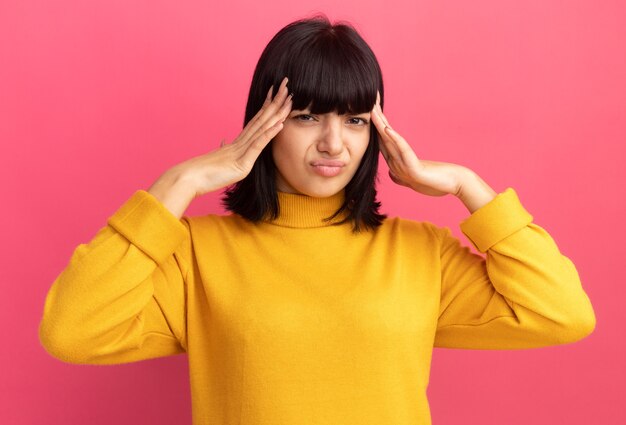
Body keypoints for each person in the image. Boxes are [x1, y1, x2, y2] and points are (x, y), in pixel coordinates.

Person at [38, 14, 596, 425]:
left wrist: (468, 186)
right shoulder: (193, 255)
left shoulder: (420, 253)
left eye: (354, 120)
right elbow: (72, 332)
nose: (334, 144)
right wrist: (177, 184)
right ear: (265, 121)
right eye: (306, 117)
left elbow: (563, 314)